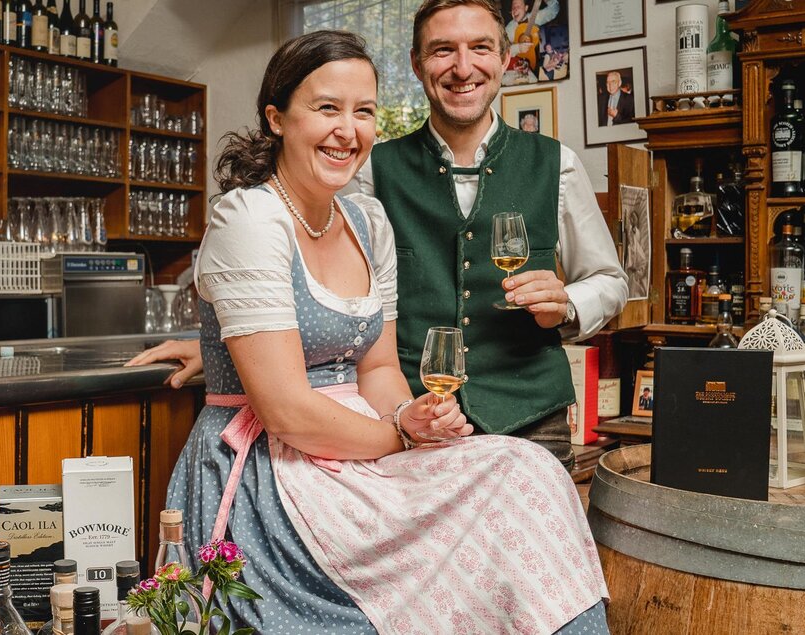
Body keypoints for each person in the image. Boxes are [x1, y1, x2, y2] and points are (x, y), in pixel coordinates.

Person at [153, 27, 609, 635]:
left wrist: (410, 414)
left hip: (361, 452)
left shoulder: (366, 220)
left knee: (529, 472)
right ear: (276, 118)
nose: (348, 130)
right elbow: (286, 411)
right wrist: (399, 434)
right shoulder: (249, 218)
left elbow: (378, 368)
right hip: (276, 468)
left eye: (363, 111)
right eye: (327, 108)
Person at [130, 0, 628, 469]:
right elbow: (310, 277)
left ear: (503, 58)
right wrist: (225, 348)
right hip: (402, 409)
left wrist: (567, 303)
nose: (463, 67)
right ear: (416, 64)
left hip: (529, 415)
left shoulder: (558, 165)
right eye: (442, 50)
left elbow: (610, 280)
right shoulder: (364, 170)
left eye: (480, 48)